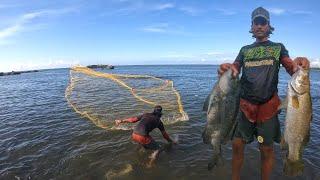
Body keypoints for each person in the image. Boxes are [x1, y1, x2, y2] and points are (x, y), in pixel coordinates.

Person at [217, 7, 310, 180]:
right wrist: (226, 69)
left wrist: (301, 64)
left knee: (266, 150)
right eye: (256, 23)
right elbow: (235, 68)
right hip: (244, 106)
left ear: (269, 26)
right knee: (237, 145)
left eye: (263, 22)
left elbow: (292, 67)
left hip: (268, 108)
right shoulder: (244, 49)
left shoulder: (278, 47)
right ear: (251, 26)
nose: (259, 26)